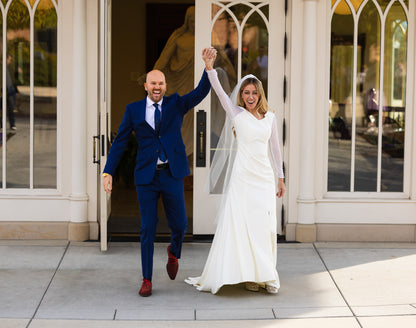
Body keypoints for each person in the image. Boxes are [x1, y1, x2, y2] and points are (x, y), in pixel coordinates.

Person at [102, 52, 212, 297]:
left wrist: (207, 68)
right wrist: (108, 171)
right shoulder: (133, 110)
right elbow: (120, 142)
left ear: (165, 86)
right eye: (153, 83)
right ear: (145, 86)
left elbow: (200, 93)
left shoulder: (175, 104)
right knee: (147, 229)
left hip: (171, 174)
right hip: (146, 178)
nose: (157, 87)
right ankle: (147, 279)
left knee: (181, 224)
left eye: (161, 83)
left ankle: (173, 252)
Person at [185, 47, 286, 294]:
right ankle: (250, 277)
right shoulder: (236, 113)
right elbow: (219, 93)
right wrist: (209, 68)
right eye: (246, 92)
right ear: (241, 95)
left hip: (263, 179)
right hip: (242, 179)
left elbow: (276, 151)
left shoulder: (270, 118)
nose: (250, 96)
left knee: (264, 227)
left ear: (260, 95)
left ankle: (268, 275)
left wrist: (280, 178)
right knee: (246, 227)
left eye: (254, 92)